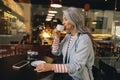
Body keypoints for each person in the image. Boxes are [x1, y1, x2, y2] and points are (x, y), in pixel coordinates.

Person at [34, 7, 95, 80]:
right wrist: (57, 37)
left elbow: (76, 67)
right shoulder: (68, 36)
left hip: (78, 77)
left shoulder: (84, 39)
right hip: (67, 75)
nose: (63, 22)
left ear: (74, 20)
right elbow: (55, 52)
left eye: (65, 19)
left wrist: (51, 67)